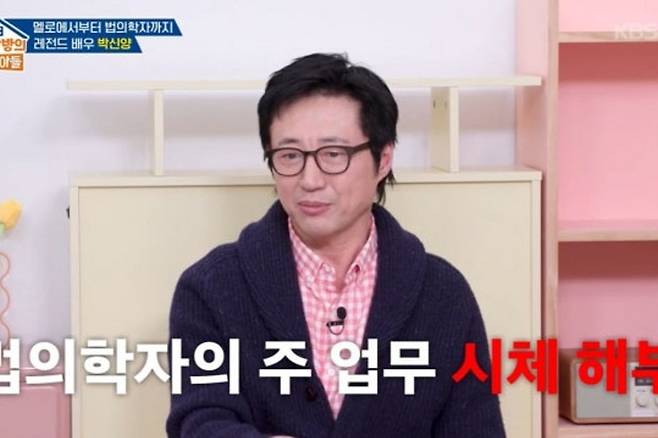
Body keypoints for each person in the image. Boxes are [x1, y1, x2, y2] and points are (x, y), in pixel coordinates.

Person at [166, 53, 505, 438]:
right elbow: (200, 421)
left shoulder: (444, 294)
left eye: (333, 154)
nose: (309, 180)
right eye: (289, 156)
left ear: (383, 160)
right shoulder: (210, 288)